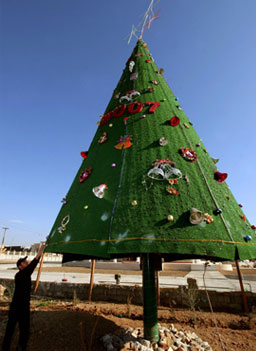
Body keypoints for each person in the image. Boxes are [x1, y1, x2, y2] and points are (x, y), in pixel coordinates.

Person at [2, 244, 45, 351]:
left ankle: (19, 347)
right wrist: (40, 251)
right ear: (20, 266)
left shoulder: (24, 274)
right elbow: (34, 263)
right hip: (18, 307)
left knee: (23, 329)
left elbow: (31, 265)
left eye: (26, 262)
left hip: (22, 306)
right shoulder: (21, 274)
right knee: (13, 329)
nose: (26, 263)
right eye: (24, 262)